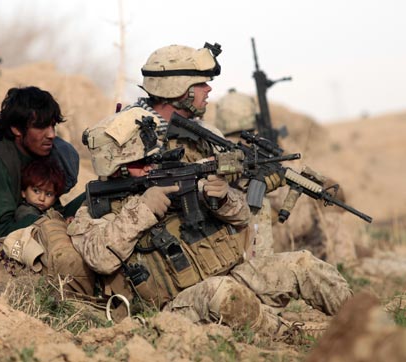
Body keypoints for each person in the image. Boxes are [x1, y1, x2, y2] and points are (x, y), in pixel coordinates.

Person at [68, 43, 352, 335]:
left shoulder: (187, 151)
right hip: (177, 305)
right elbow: (99, 259)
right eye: (142, 162)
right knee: (225, 294)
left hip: (227, 272)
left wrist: (222, 198)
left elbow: (243, 217)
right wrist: (144, 208)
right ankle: (294, 335)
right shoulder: (96, 207)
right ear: (120, 166)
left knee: (302, 264)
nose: (151, 166)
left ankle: (366, 317)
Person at [0, 86, 94, 295]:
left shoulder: (34, 155)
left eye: (52, 126)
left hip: (16, 247)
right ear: (17, 129)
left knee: (93, 197)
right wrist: (54, 223)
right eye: (41, 127)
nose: (51, 135)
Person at [214, 88, 359, 264]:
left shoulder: (217, 151)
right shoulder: (263, 149)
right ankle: (346, 263)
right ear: (251, 114)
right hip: (279, 236)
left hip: (258, 242)